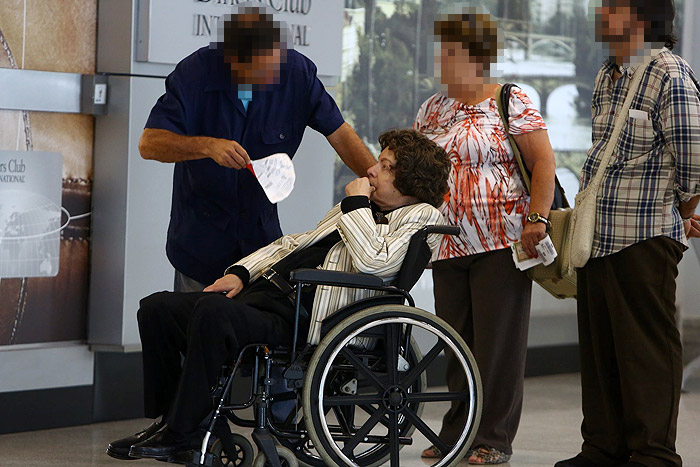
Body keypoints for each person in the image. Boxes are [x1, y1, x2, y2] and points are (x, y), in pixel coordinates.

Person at [106, 129, 451, 460]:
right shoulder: (359, 209)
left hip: (304, 318)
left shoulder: (420, 215)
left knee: (213, 314)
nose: (372, 170)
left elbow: (375, 261)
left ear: (413, 182)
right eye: (379, 162)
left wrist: (357, 203)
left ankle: (181, 433)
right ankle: (169, 422)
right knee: (157, 308)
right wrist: (241, 273)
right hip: (267, 294)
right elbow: (294, 243)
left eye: (386, 167)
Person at [139, 5, 375, 292]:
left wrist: (377, 181)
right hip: (200, 242)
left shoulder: (296, 72)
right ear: (232, 60)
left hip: (261, 247)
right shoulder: (194, 73)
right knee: (195, 328)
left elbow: (339, 133)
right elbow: (150, 144)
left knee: (252, 332)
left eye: (275, 64)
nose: (273, 76)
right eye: (262, 69)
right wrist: (206, 146)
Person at [556, 1, 700, 467]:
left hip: (644, 236)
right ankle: (602, 447)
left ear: (640, 18)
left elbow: (695, 161)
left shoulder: (668, 73)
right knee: (601, 350)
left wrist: (677, 211)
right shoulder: (607, 73)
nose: (600, 14)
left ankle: (653, 455)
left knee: (646, 351)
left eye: (610, 7)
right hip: (596, 236)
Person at [415, 11, 557, 465]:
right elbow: (418, 174)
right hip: (447, 242)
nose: (442, 59)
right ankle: (456, 432)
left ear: (478, 57)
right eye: (441, 49)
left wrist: (537, 216)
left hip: (502, 241)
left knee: (497, 346)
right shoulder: (432, 109)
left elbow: (544, 163)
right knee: (456, 344)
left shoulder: (510, 100)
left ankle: (493, 438)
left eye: (451, 51)